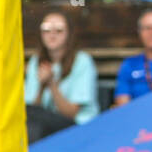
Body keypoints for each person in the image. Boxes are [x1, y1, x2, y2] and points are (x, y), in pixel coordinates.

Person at [24, 11, 98, 141]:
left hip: (78, 128)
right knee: (30, 122)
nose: (52, 35)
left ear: (69, 34)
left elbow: (71, 113)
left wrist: (52, 85)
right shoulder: (36, 61)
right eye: (46, 30)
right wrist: (42, 87)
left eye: (59, 30)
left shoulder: (82, 61)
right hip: (45, 124)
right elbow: (32, 109)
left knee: (36, 127)